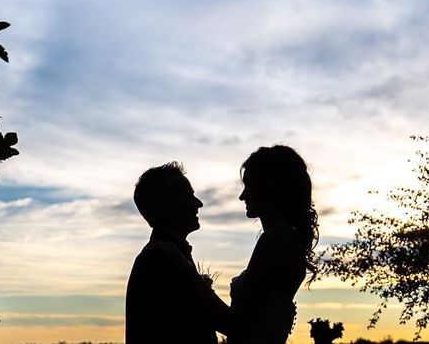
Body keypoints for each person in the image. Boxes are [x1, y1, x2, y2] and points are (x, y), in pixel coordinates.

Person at [125, 162, 230, 344]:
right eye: (188, 197)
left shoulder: (165, 253)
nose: (199, 203)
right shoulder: (162, 257)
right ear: (163, 208)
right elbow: (227, 322)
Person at [228, 145, 319, 344]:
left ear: (269, 187)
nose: (242, 196)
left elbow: (238, 320)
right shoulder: (286, 239)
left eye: (249, 186)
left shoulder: (274, 240)